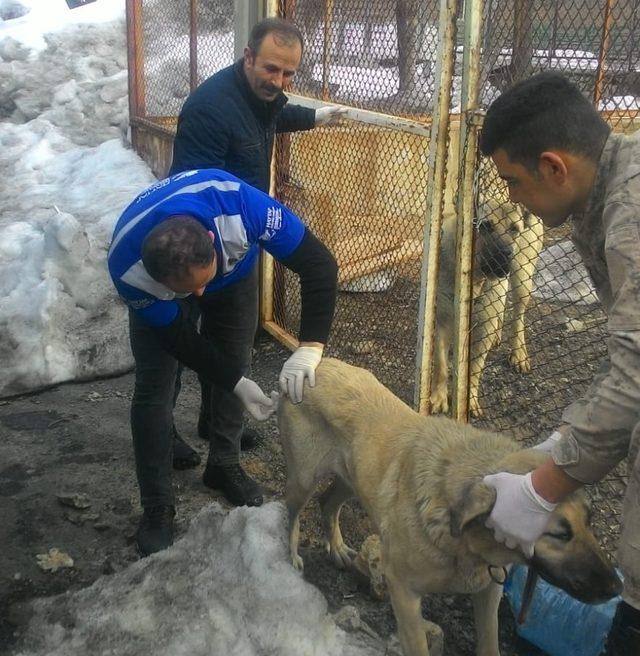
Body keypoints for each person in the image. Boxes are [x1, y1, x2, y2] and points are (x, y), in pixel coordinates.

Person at [478, 71, 640, 654]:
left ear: (554, 166)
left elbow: (638, 381)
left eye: (513, 182)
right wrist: (569, 435)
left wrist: (543, 488)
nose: (512, 200)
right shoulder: (608, 187)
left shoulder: (630, 222)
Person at [108, 168, 337, 556]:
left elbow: (319, 265)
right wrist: (235, 382)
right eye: (187, 290)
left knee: (234, 353)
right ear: (153, 276)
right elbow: (179, 338)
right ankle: (157, 506)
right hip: (172, 294)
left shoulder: (244, 208)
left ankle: (224, 462)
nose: (199, 293)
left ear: (212, 240)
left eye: (201, 281)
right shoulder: (127, 268)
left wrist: (310, 346)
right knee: (154, 388)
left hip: (234, 277)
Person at [169, 16, 345, 459]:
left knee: (231, 342)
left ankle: (215, 422)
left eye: (288, 73)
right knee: (178, 342)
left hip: (242, 242)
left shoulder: (260, 95)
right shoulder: (209, 108)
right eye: (271, 69)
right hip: (199, 247)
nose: (279, 81)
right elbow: (195, 191)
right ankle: (165, 431)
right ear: (248, 57)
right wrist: (209, 259)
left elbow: (273, 114)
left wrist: (315, 118)